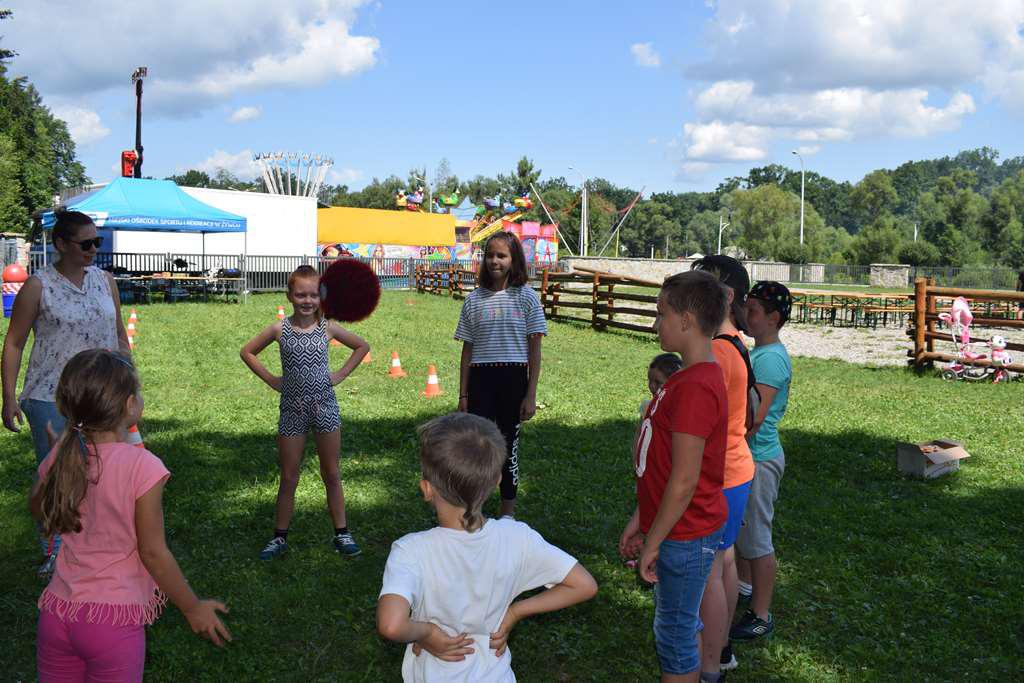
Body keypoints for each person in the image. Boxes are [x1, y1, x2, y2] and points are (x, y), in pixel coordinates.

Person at [31, 349, 230, 681]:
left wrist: (54, 459)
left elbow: (38, 510)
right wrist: (192, 607)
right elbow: (152, 552)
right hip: (111, 625)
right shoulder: (143, 467)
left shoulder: (63, 457)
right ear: (130, 405)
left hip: (56, 612)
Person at [376, 412, 597, 682]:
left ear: (426, 488)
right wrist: (515, 612)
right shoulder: (517, 538)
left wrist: (427, 633)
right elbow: (584, 585)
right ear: (496, 482)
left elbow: (392, 624)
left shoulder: (411, 551)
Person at [2, 209, 130, 576]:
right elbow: (14, 343)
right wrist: (8, 398)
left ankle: (98, 546)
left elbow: (119, 335)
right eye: (86, 243)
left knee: (104, 472)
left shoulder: (106, 281)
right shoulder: (38, 286)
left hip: (103, 394)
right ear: (61, 244)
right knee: (59, 474)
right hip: (51, 396)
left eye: (97, 242)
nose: (93, 250)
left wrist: (128, 383)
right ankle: (55, 549)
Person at [619, 270, 729, 683]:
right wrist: (641, 519)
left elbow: (684, 481)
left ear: (686, 320)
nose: (655, 324)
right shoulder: (684, 378)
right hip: (675, 528)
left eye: (661, 314)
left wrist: (654, 542)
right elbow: (662, 468)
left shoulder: (696, 387)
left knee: (675, 632)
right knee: (679, 623)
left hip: (685, 535)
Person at [240, 265, 370, 560]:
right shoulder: (279, 330)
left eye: (313, 295)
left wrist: (340, 375)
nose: (307, 301)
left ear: (321, 297)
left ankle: (342, 533)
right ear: (290, 296)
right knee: (289, 476)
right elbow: (247, 351)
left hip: (325, 408)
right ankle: (279, 537)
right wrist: (272, 380)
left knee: (332, 473)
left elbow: (362, 346)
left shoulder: (328, 328)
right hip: (292, 411)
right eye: (300, 295)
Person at [691, 256, 757, 680]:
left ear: (725, 296)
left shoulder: (715, 351)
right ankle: (723, 646)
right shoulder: (735, 344)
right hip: (736, 470)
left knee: (710, 573)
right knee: (725, 559)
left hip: (719, 475)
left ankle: (709, 665)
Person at [454, 232, 546, 519]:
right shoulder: (474, 300)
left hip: (513, 379)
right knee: (478, 448)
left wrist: (530, 394)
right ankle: (474, 508)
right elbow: (467, 351)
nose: (495, 261)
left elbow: (535, 351)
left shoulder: (527, 298)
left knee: (508, 447)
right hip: (481, 380)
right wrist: (463, 394)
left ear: (514, 260)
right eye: (490, 255)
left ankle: (508, 513)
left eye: (502, 255)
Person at [731, 281, 793, 645]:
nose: (746, 315)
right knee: (744, 531)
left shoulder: (769, 359)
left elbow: (753, 419)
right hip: (752, 455)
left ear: (774, 318)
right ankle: (743, 586)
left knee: (756, 538)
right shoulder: (761, 353)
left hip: (759, 458)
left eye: (753, 310)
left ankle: (761, 614)